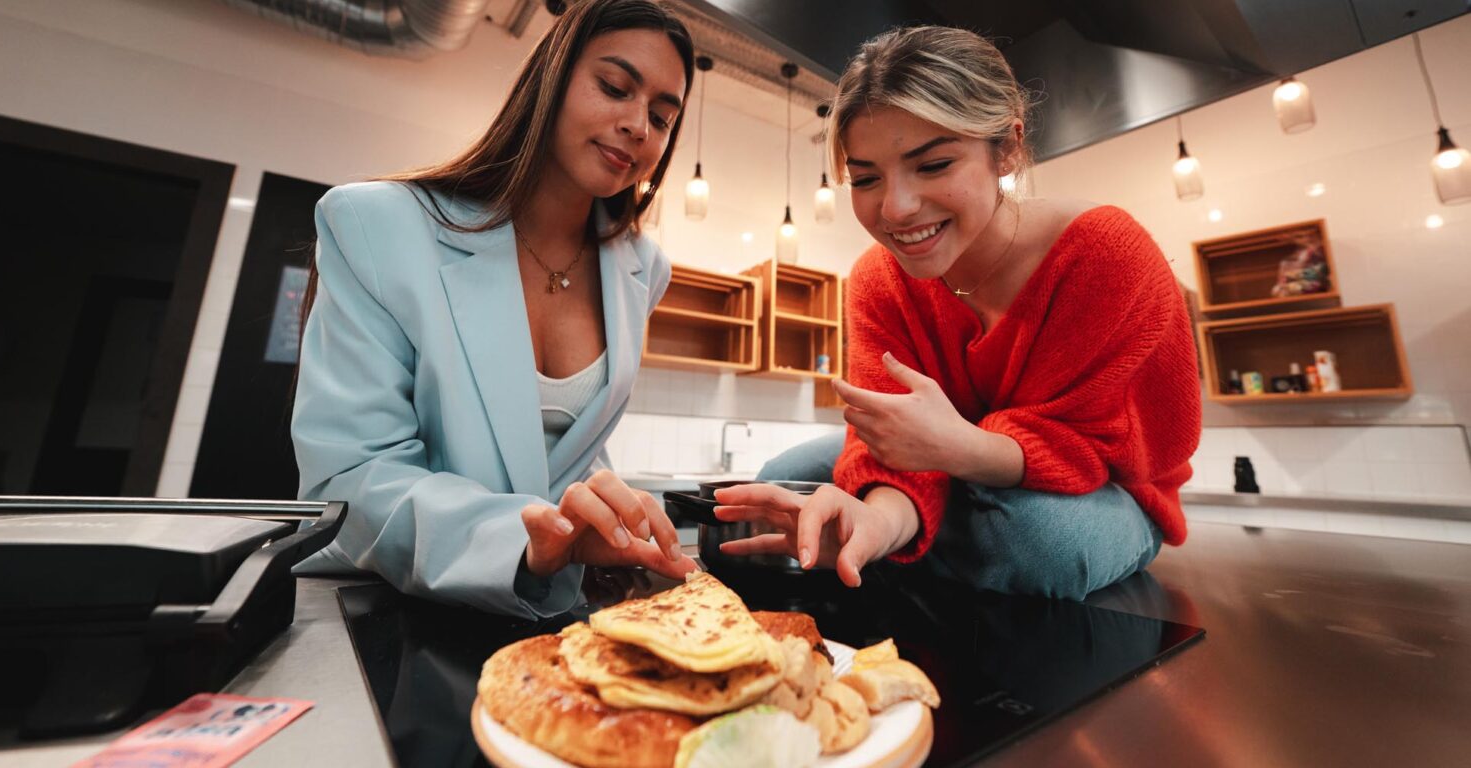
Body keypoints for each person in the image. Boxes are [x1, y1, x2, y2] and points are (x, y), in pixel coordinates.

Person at [714, 26, 1201, 601]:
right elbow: (895, 444)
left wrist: (957, 449)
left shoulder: (1104, 253)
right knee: (779, 479)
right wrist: (879, 521)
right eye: (866, 178)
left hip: (1103, 489)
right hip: (952, 466)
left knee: (1038, 542)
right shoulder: (877, 279)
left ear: (1008, 149)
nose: (895, 208)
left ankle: (899, 550)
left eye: (935, 164)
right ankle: (883, 544)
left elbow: (1107, 448)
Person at [290, 0, 699, 619]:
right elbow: (350, 482)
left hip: (554, 615)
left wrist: (610, 522)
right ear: (551, 82)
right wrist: (527, 539)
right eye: (615, 87)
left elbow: (567, 446)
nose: (639, 125)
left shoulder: (642, 268)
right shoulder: (376, 226)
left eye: (664, 118)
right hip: (392, 609)